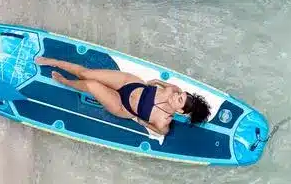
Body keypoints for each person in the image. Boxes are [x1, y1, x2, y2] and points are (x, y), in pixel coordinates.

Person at [33, 56, 211, 136]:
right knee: (86, 74)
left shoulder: (163, 122)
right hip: (129, 83)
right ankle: (54, 61)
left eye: (179, 99)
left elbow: (160, 131)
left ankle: (65, 82)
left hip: (123, 106)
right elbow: (163, 83)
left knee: (91, 85)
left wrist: (143, 122)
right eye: (180, 94)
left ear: (180, 111)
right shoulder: (173, 89)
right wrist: (156, 81)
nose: (176, 95)